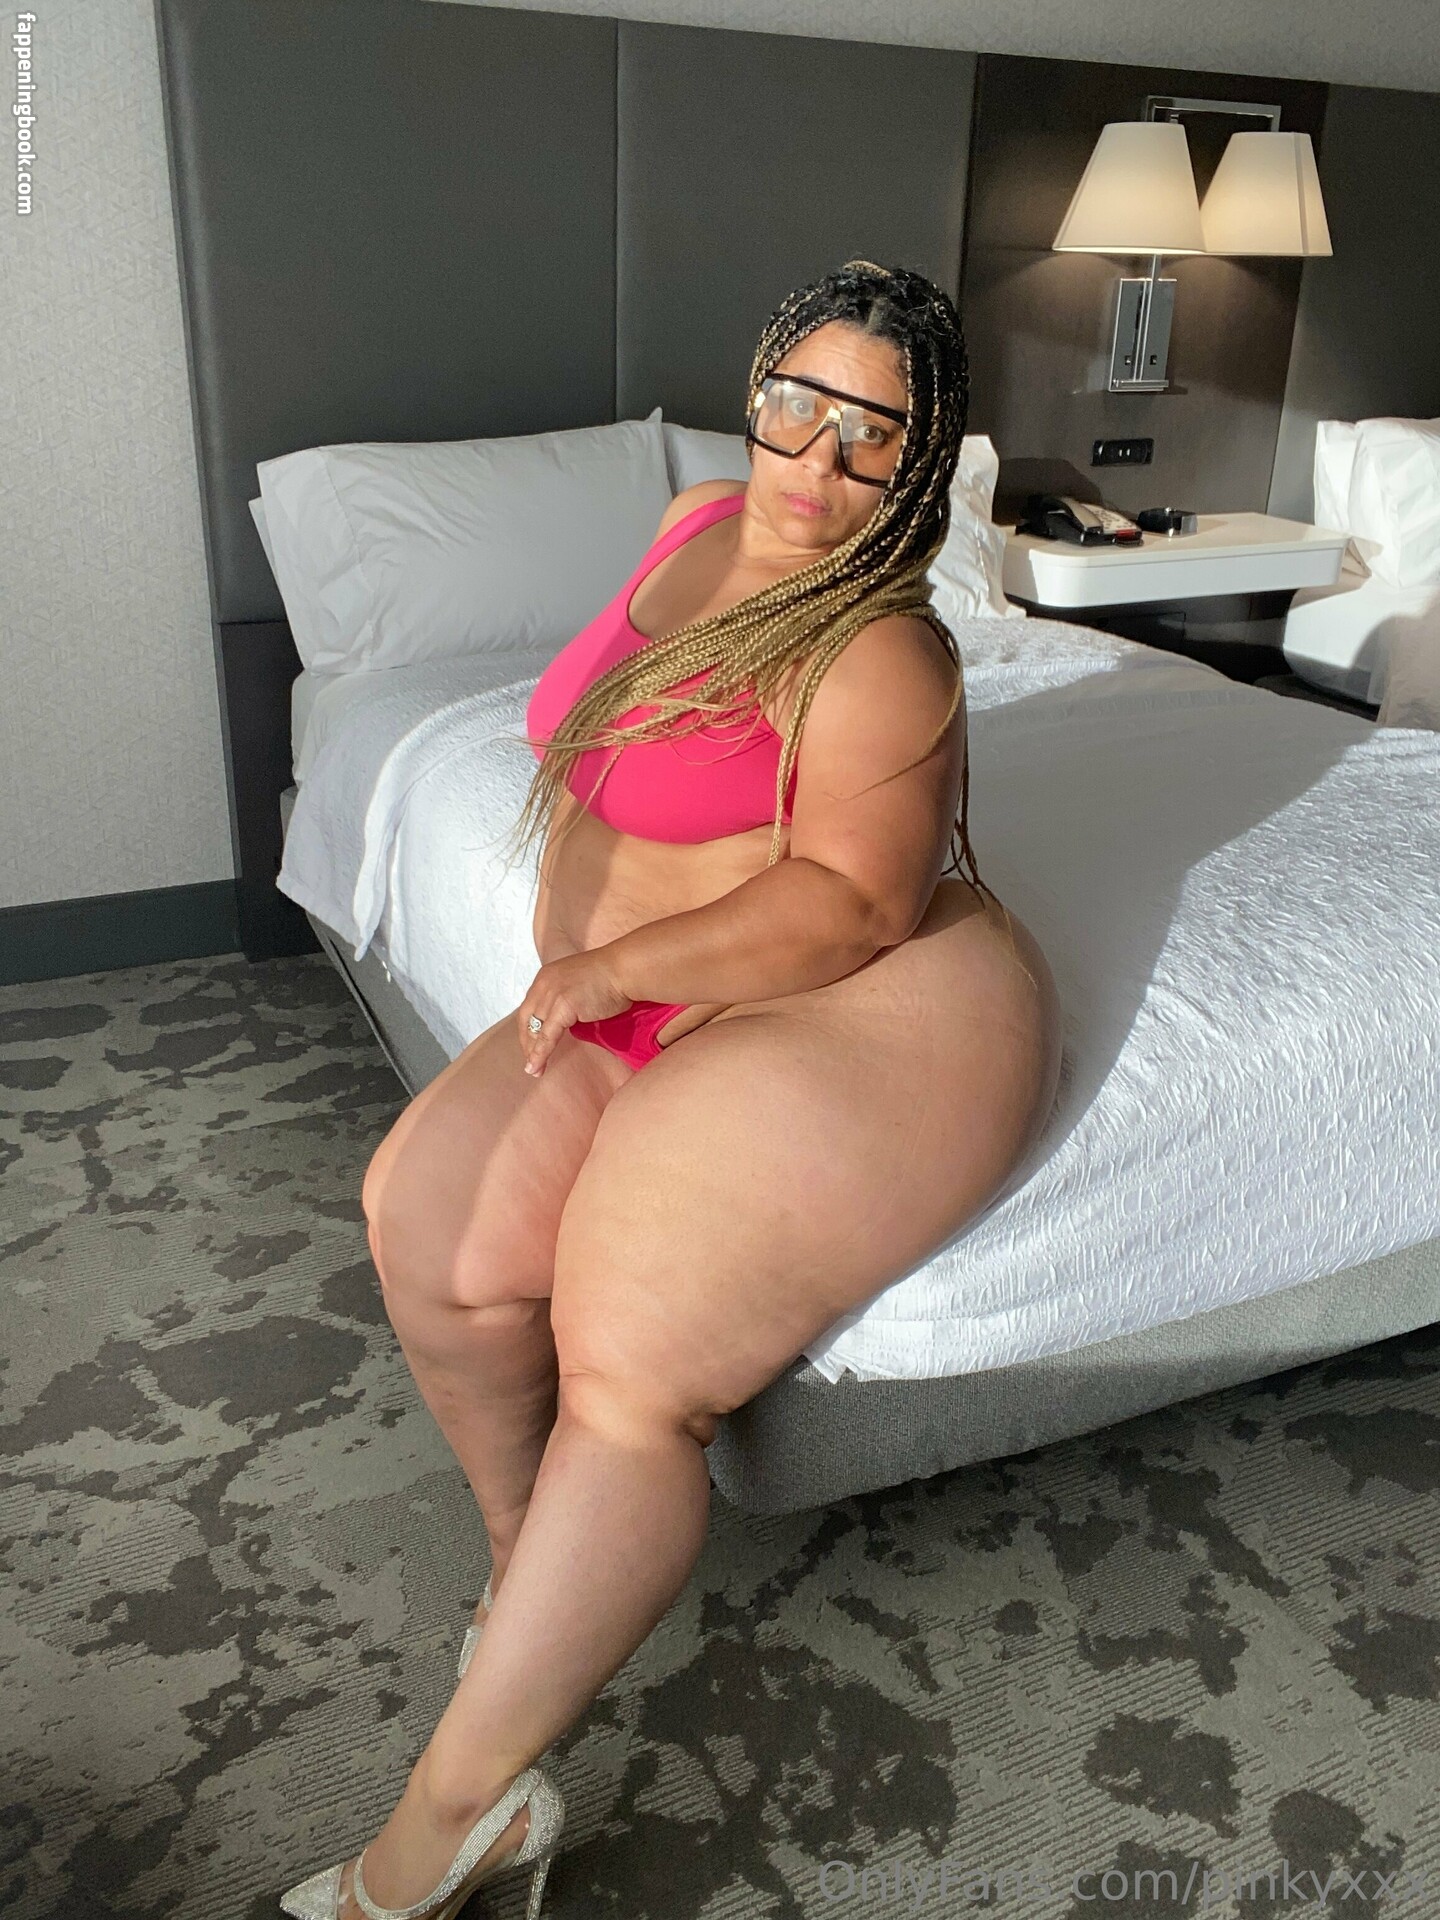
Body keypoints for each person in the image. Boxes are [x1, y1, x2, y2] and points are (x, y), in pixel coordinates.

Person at [280, 260, 1063, 1920]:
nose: (816, 463)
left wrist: (614, 966)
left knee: (626, 1363)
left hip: (836, 997)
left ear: (921, 462)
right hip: (644, 1000)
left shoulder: (883, 651)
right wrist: (602, 967)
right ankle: (527, 1573)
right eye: (796, 405)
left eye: (872, 435)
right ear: (756, 390)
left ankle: (451, 1821)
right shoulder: (695, 522)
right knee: (427, 1228)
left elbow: (853, 902)